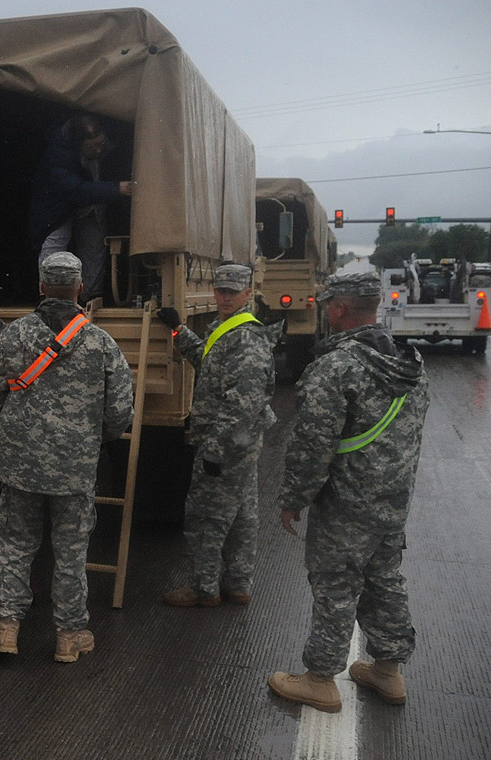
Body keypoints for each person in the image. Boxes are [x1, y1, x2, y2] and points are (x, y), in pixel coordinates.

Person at [268, 272, 429, 714]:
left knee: (336, 584)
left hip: (346, 502)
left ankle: (321, 679)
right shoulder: (409, 360)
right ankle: (388, 670)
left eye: (327, 304)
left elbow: (312, 445)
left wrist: (294, 498)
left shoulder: (337, 367)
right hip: (393, 499)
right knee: (384, 579)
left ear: (339, 309)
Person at [0, 252, 134, 662]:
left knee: (15, 545)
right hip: (74, 468)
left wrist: (18, 433)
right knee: (70, 552)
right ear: (81, 288)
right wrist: (91, 440)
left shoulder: (13, 336)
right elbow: (120, 410)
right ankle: (69, 637)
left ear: (41, 287)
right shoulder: (101, 343)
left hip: (19, 465)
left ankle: (7, 629)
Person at [156, 263, 279, 608]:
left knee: (206, 516)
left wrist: (215, 447)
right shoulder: (229, 330)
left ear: (248, 293)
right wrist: (180, 330)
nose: (225, 296)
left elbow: (244, 402)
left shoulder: (246, 337)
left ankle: (203, 589)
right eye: (221, 290)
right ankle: (237, 586)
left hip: (226, 443)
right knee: (241, 515)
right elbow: (208, 364)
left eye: (233, 291)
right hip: (237, 442)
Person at [28, 114, 134, 302]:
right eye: (93, 147)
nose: (100, 149)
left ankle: (89, 295)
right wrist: (116, 188)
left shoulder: (111, 148)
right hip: (59, 205)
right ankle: (48, 295)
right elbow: (74, 189)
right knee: (54, 244)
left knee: (95, 245)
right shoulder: (57, 153)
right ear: (78, 145)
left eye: (102, 143)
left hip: (94, 201)